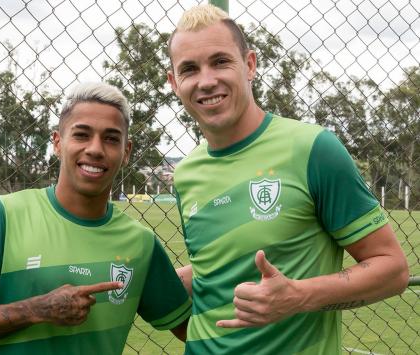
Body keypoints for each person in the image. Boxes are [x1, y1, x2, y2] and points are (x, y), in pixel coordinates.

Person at [166, 4, 409, 355]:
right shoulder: (186, 173)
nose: (206, 80)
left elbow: (392, 270)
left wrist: (298, 297)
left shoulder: (313, 149)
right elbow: (219, 265)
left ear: (249, 65)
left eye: (220, 61)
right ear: (174, 82)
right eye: (189, 69)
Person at [0, 82, 191, 354]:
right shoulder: (4, 215)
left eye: (111, 138)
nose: (95, 149)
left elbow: (189, 327)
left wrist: (216, 272)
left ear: (126, 152)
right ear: (58, 142)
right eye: (82, 135)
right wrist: (37, 309)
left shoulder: (142, 244)